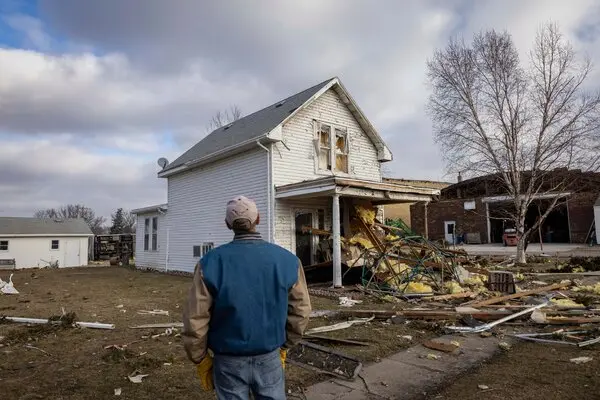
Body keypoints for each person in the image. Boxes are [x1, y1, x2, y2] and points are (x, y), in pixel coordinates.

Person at [182, 195, 312, 400]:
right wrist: (286, 345)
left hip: (227, 361)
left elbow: (195, 318)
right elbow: (301, 311)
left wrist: (200, 358)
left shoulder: (209, 263)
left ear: (227, 224)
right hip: (269, 357)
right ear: (258, 219)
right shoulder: (288, 261)